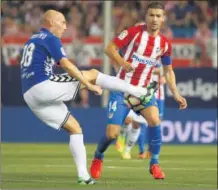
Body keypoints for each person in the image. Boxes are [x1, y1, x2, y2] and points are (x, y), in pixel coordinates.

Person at [20, 10, 157, 185]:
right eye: (62, 22)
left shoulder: (33, 39)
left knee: (75, 128)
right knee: (92, 73)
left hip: (30, 95)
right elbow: (67, 65)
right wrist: (89, 84)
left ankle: (83, 176)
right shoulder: (50, 38)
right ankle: (139, 91)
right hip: (43, 86)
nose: (65, 26)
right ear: (51, 22)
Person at [90, 2, 187, 180]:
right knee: (112, 134)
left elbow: (168, 70)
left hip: (143, 91)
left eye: (158, 16)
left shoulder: (164, 44)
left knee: (155, 120)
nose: (155, 19)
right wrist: (122, 62)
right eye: (151, 15)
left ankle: (154, 163)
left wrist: (176, 93)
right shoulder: (134, 32)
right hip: (121, 89)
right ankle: (98, 156)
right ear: (146, 16)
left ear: (163, 18)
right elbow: (109, 48)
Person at [116, 65, 166, 160]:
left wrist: (162, 74)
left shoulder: (160, 57)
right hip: (139, 91)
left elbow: (165, 73)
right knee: (130, 120)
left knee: (144, 124)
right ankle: (124, 137)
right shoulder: (141, 56)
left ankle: (131, 150)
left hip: (156, 96)